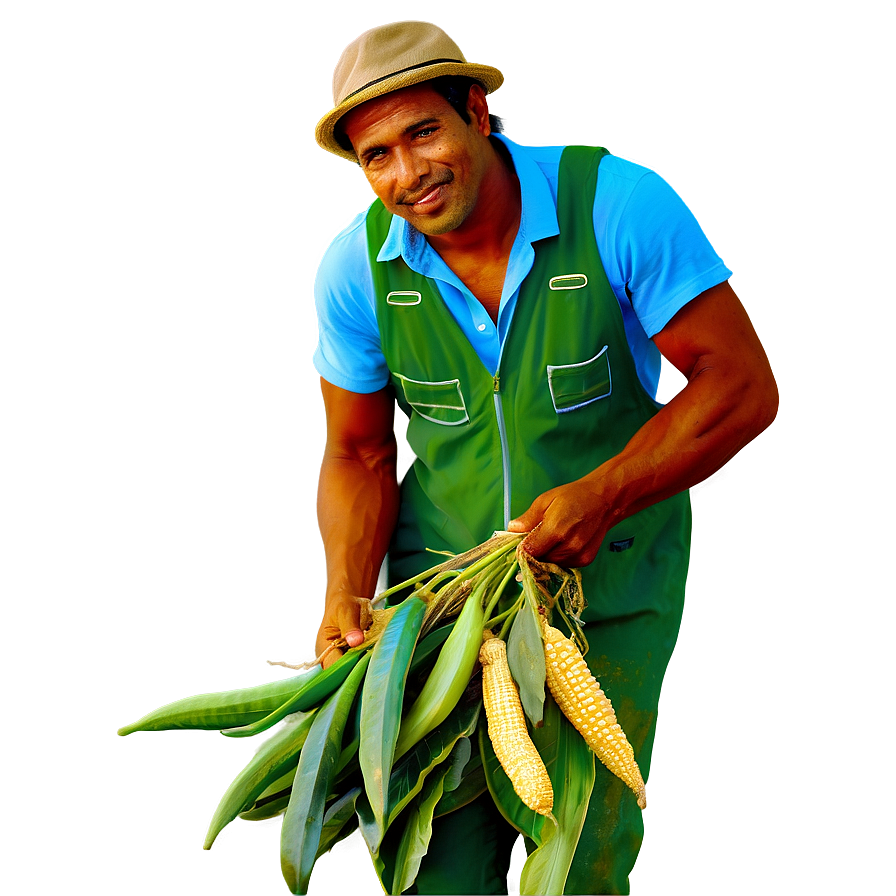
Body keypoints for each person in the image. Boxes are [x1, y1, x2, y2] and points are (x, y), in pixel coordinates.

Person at [309, 19, 778, 895]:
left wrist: (604, 494)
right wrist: (345, 584)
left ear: (478, 113)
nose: (407, 174)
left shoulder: (617, 206)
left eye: (424, 132)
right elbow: (356, 451)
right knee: (432, 863)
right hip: (444, 606)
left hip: (608, 593)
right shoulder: (357, 271)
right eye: (377, 156)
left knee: (580, 851)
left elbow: (742, 387)